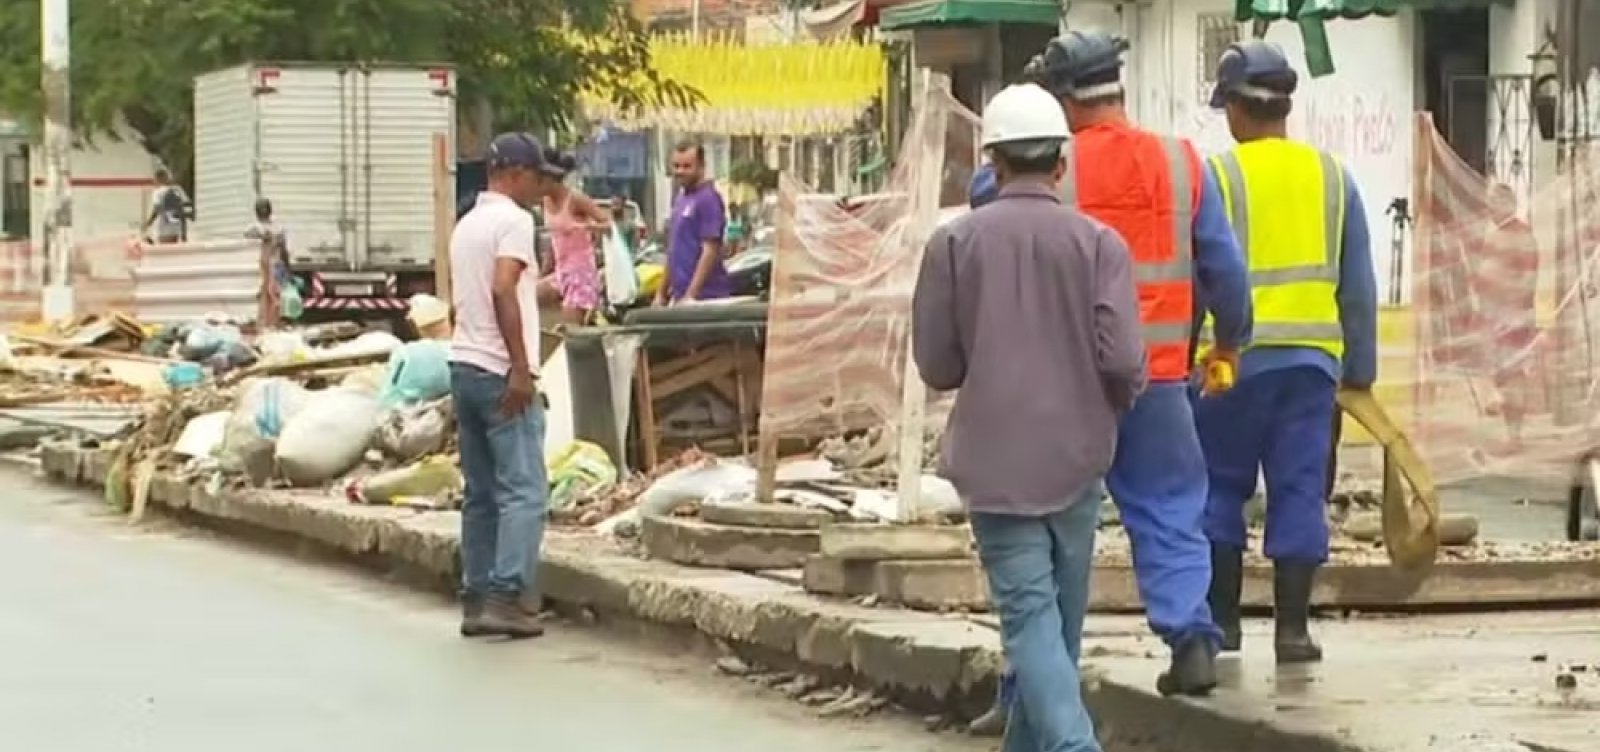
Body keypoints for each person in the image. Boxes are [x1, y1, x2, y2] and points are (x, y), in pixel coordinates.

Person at [976, 30, 1252, 698]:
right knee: (1169, 506)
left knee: (1041, 532)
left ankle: (1030, 688)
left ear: (1060, 99)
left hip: (1059, 387)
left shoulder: (1037, 169)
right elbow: (1227, 273)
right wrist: (1227, 343)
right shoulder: (1185, 163)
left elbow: (985, 225)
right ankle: (1191, 640)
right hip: (1157, 378)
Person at [914, 82, 1147, 752]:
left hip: (994, 466)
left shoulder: (952, 246)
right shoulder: (1100, 244)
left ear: (992, 164)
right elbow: (1125, 357)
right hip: (1079, 460)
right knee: (1055, 628)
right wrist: (1108, 409)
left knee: (1033, 624)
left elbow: (938, 365)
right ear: (1061, 164)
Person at [1196, 40, 1377, 664]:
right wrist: (1360, 372)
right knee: (1300, 489)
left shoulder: (1216, 176)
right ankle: (1292, 631)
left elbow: (1204, 277)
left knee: (1219, 486)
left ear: (1238, 111)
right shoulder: (1333, 177)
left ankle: (1222, 624)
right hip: (1310, 366)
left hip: (1228, 362)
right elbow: (1358, 287)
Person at [449, 132, 563, 639]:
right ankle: (508, 594)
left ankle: (475, 596)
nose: (541, 188)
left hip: (463, 364)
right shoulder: (515, 222)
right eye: (536, 177)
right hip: (499, 370)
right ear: (515, 174)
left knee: (481, 493)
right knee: (525, 491)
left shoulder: (467, 224)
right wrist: (520, 366)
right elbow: (502, 287)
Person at [538, 148, 608, 325]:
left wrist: (589, 227)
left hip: (580, 273)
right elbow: (554, 241)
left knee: (571, 328)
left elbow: (607, 223)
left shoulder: (575, 199)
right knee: (530, 298)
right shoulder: (545, 202)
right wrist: (543, 271)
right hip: (561, 271)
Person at [657, 140, 732, 304]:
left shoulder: (708, 199)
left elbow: (710, 251)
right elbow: (673, 251)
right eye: (676, 166)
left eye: (687, 166)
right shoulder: (680, 199)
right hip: (680, 296)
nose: (680, 171)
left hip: (707, 297)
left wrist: (691, 295)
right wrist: (661, 293)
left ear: (701, 166)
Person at [146, 169, 191, 244]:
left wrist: (148, 223)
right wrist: (184, 232)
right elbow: (185, 208)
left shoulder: (158, 192)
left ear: (158, 179)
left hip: (165, 226)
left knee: (164, 250)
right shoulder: (178, 189)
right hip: (177, 225)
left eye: (155, 180)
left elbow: (156, 209)